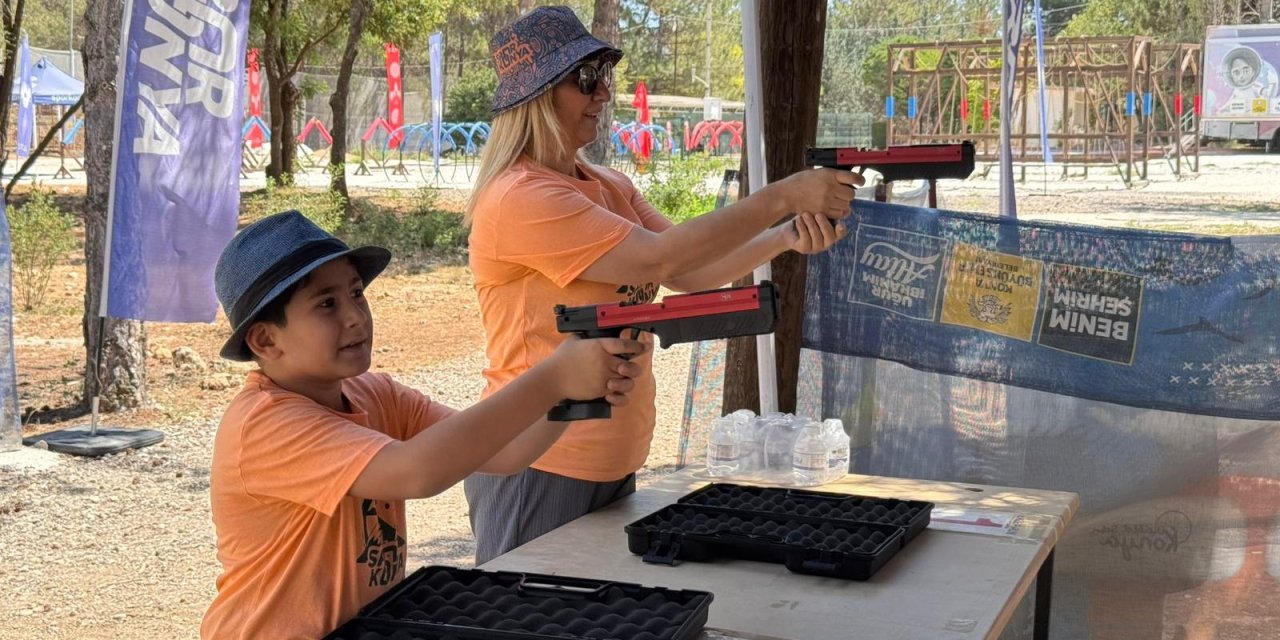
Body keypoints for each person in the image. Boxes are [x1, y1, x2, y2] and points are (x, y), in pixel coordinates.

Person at [464, 5, 862, 564]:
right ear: (538, 95)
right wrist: (782, 197)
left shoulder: (606, 184)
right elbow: (658, 258)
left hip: (608, 457)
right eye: (585, 79)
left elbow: (689, 274)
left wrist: (785, 236)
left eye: (603, 75)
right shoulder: (520, 197)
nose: (603, 92)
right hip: (540, 460)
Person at [199, 211, 646, 639]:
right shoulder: (265, 424)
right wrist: (554, 376)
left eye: (357, 294)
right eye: (326, 304)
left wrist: (574, 395)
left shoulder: (375, 394)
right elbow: (416, 472)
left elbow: (504, 454)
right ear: (264, 339)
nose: (356, 316)